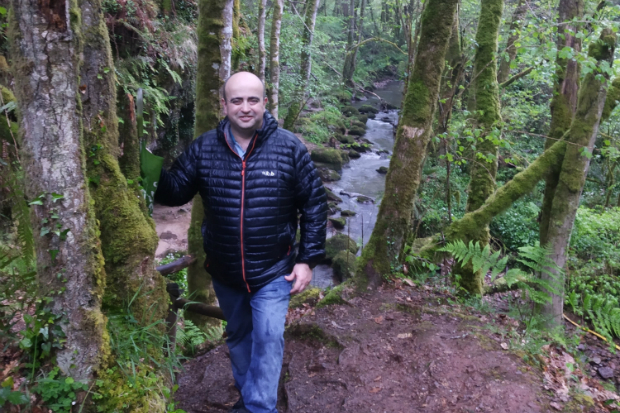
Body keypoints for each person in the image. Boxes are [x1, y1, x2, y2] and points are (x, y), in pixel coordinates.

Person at [155, 71, 327, 413]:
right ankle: (250, 398)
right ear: (224, 105)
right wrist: (145, 165)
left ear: (265, 102)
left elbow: (314, 204)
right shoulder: (205, 147)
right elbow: (174, 192)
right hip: (225, 269)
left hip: (275, 269)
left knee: (268, 336)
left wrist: (307, 260)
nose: (245, 108)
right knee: (238, 337)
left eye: (252, 100)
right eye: (237, 100)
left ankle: (259, 407)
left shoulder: (289, 148)